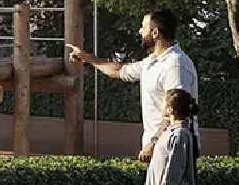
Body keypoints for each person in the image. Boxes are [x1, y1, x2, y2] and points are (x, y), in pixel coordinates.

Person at [68, 8, 198, 163]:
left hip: (174, 151)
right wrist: (88, 58)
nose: (139, 31)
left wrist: (154, 143)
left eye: (143, 27)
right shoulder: (152, 62)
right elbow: (119, 71)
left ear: (155, 33)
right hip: (160, 152)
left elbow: (176, 112)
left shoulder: (175, 65)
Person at [142, 88, 199, 185]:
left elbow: (175, 165)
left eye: (163, 103)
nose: (160, 106)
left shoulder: (180, 135)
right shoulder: (169, 133)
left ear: (170, 109)